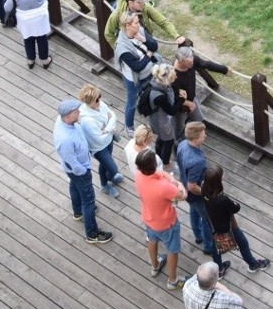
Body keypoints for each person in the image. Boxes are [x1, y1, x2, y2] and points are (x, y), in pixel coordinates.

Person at [53, 99, 113, 245]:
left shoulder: (64, 122)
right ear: (68, 116)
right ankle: (92, 234)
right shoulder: (66, 140)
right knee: (89, 200)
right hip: (79, 170)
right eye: (76, 112)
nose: (79, 113)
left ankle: (78, 212)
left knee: (74, 186)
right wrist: (83, 171)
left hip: (74, 171)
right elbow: (71, 161)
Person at [201, 164, 270, 274]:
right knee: (243, 243)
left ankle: (219, 269)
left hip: (212, 224)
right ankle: (253, 264)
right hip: (227, 227)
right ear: (218, 181)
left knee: (216, 247)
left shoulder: (203, 187)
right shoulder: (222, 199)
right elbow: (236, 207)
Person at [134, 148, 187, 289]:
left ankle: (155, 266)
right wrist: (178, 183)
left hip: (149, 218)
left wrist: (168, 178)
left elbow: (158, 173)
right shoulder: (164, 187)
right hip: (167, 223)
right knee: (172, 249)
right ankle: (173, 281)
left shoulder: (138, 175)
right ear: (154, 164)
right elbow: (182, 195)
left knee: (152, 240)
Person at [177, 123, 222, 267]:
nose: (205, 136)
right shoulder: (197, 161)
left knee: (194, 211)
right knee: (208, 220)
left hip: (186, 190)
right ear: (196, 138)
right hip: (195, 194)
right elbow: (192, 186)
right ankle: (208, 246)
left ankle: (197, 236)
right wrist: (207, 193)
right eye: (203, 135)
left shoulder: (183, 144)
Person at [114, 11, 161, 135]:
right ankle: (129, 127)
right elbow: (137, 66)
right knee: (132, 103)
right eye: (136, 22)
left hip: (150, 73)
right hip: (134, 80)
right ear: (127, 25)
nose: (139, 24)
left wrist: (143, 39)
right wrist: (148, 55)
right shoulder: (122, 47)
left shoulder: (139, 30)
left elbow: (155, 46)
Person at [77, 83, 124, 198]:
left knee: (104, 165)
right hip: (98, 147)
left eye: (99, 96)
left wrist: (105, 129)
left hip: (108, 140)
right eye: (97, 99)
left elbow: (113, 116)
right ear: (90, 102)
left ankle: (105, 184)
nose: (100, 100)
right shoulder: (86, 120)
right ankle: (108, 181)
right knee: (113, 168)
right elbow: (98, 137)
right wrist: (109, 126)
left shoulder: (99, 103)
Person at [173, 44, 229, 140]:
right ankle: (178, 143)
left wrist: (224, 70)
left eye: (192, 59)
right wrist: (189, 104)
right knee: (179, 128)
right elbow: (173, 97)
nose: (192, 63)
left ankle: (197, 137)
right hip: (179, 106)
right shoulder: (173, 76)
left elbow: (207, 64)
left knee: (199, 119)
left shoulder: (192, 60)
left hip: (191, 98)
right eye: (189, 63)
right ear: (180, 62)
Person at [104, 0, 182, 49]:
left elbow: (163, 22)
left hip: (145, 37)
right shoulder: (117, 14)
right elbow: (108, 33)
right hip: (129, 43)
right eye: (139, 2)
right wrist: (118, 48)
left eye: (143, 1)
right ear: (130, 2)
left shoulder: (145, 7)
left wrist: (176, 35)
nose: (142, 4)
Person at [3, 0, 52, 68]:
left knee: (28, 38)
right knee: (41, 38)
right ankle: (45, 60)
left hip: (25, 20)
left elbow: (7, 7)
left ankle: (31, 60)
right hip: (39, 17)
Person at [144, 62, 179, 165]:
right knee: (169, 142)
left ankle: (158, 157)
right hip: (161, 121)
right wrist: (182, 100)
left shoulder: (154, 81)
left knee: (161, 138)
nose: (174, 79)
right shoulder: (161, 97)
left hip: (155, 118)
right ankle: (165, 163)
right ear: (166, 79)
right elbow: (171, 111)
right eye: (172, 78)